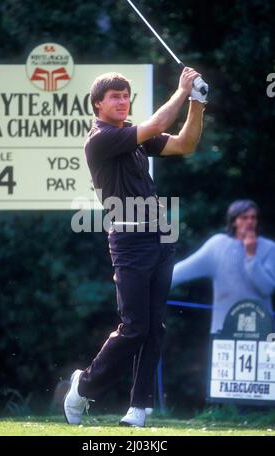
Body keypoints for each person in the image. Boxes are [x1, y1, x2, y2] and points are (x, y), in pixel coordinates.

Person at [64, 68, 207, 427]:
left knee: (154, 327)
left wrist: (197, 104)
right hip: (129, 240)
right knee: (134, 327)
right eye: (114, 96)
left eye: (125, 95)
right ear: (98, 104)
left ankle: (137, 408)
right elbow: (158, 124)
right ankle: (84, 387)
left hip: (160, 236)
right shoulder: (101, 137)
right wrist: (182, 90)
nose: (122, 100)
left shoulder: (134, 137)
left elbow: (185, 144)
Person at [172, 200, 275, 334]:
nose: (250, 222)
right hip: (223, 331)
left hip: (261, 330)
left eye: (253, 217)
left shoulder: (269, 248)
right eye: (244, 217)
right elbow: (180, 272)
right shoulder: (218, 246)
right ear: (233, 221)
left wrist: (251, 256)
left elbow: (267, 288)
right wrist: (150, 287)